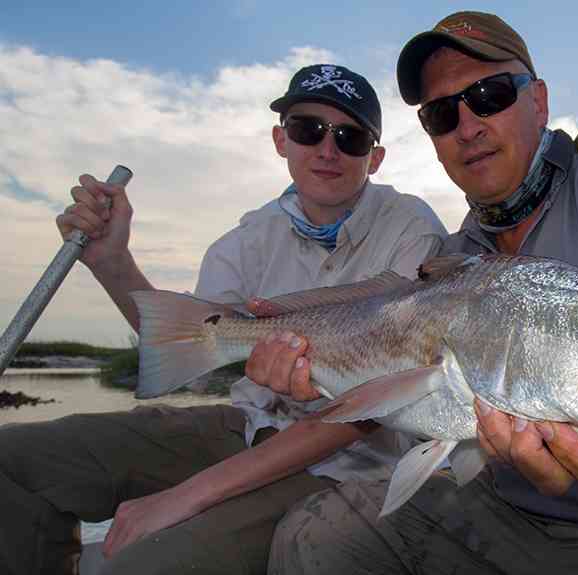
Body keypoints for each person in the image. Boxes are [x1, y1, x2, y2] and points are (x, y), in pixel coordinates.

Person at [255, 12, 578, 575]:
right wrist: (321, 380)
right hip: (504, 509)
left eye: (490, 94)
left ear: (539, 102)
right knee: (316, 540)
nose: (468, 125)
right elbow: (417, 401)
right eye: (441, 113)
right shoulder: (454, 261)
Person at [0, 64, 446, 575]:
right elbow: (186, 341)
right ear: (281, 139)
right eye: (308, 129)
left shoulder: (413, 231)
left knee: (147, 565)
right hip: (249, 427)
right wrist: (111, 261)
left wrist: (186, 496)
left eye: (350, 137)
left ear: (377, 156)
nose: (327, 149)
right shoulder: (247, 239)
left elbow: (371, 409)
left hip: (352, 464)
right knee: (11, 459)